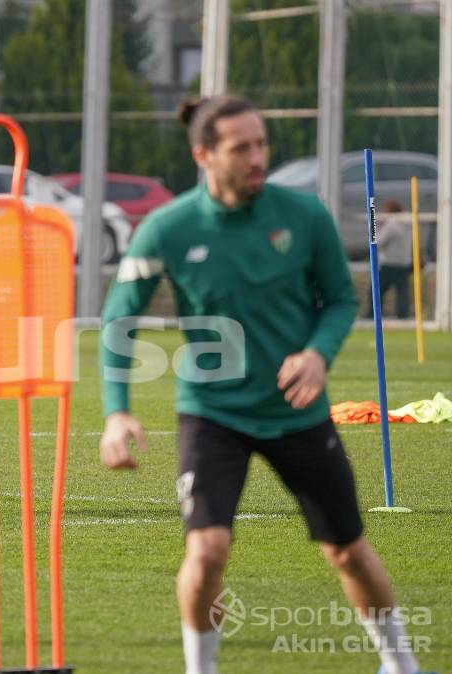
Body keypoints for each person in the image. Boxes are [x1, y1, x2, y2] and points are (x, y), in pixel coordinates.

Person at [98, 96, 426, 674]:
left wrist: (318, 355)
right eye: (240, 148)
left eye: (262, 144)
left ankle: (400, 665)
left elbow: (341, 299)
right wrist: (117, 411)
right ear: (203, 155)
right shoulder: (167, 229)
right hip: (212, 411)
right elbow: (119, 321)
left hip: (298, 411)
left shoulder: (304, 216)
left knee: (346, 550)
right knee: (206, 551)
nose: (257, 158)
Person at [366, 199, 414, 319]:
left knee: (376, 290)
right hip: (404, 262)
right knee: (402, 293)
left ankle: (373, 314)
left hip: (389, 263)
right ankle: (403, 315)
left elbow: (378, 241)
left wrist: (380, 227)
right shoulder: (409, 223)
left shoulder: (392, 224)